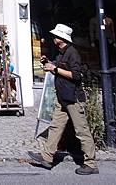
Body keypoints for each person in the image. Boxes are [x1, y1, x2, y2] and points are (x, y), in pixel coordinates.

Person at [28, 23, 99, 176]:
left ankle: (91, 163)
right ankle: (47, 157)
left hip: (73, 98)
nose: (53, 38)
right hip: (63, 98)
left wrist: (55, 69)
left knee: (82, 130)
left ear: (61, 38)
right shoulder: (61, 53)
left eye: (55, 36)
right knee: (56, 127)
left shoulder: (73, 53)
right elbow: (60, 71)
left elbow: (76, 75)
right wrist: (49, 64)